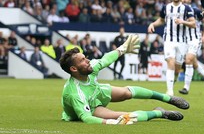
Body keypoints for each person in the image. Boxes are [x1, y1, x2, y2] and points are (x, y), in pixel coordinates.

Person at [60, 34, 190, 125]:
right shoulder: (75, 93)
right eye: (82, 60)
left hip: (96, 90)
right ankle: (159, 113)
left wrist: (122, 49)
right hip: (90, 106)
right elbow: (87, 118)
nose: (88, 61)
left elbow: (105, 59)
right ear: (74, 69)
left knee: (126, 92)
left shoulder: (90, 69)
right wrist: (109, 122)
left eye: (85, 57)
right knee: (123, 117)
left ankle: (168, 98)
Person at [148, 0, 195, 96]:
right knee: (170, 61)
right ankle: (169, 91)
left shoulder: (186, 8)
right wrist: (153, 24)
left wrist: (183, 22)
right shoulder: (166, 7)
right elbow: (161, 20)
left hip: (182, 41)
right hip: (169, 39)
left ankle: (172, 81)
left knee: (177, 68)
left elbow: (193, 24)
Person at [178, 0, 204, 95]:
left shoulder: (194, 10)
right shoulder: (177, 11)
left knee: (188, 60)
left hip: (194, 40)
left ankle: (186, 88)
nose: (184, 0)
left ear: (189, 0)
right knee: (194, 63)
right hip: (183, 41)